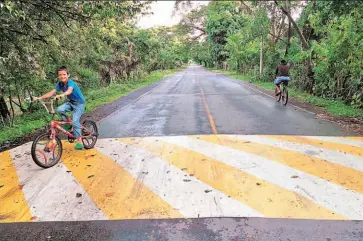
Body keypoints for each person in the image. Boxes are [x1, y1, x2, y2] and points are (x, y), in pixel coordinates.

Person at [35, 66, 86, 150]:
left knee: (75, 121)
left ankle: (79, 141)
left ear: (68, 75)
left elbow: (69, 91)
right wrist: (39, 98)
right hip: (71, 102)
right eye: (60, 75)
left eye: (64, 74)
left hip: (80, 104)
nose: (62, 76)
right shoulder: (60, 84)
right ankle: (68, 123)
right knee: (59, 109)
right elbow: (51, 93)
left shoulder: (71, 82)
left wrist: (62, 95)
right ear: (58, 76)